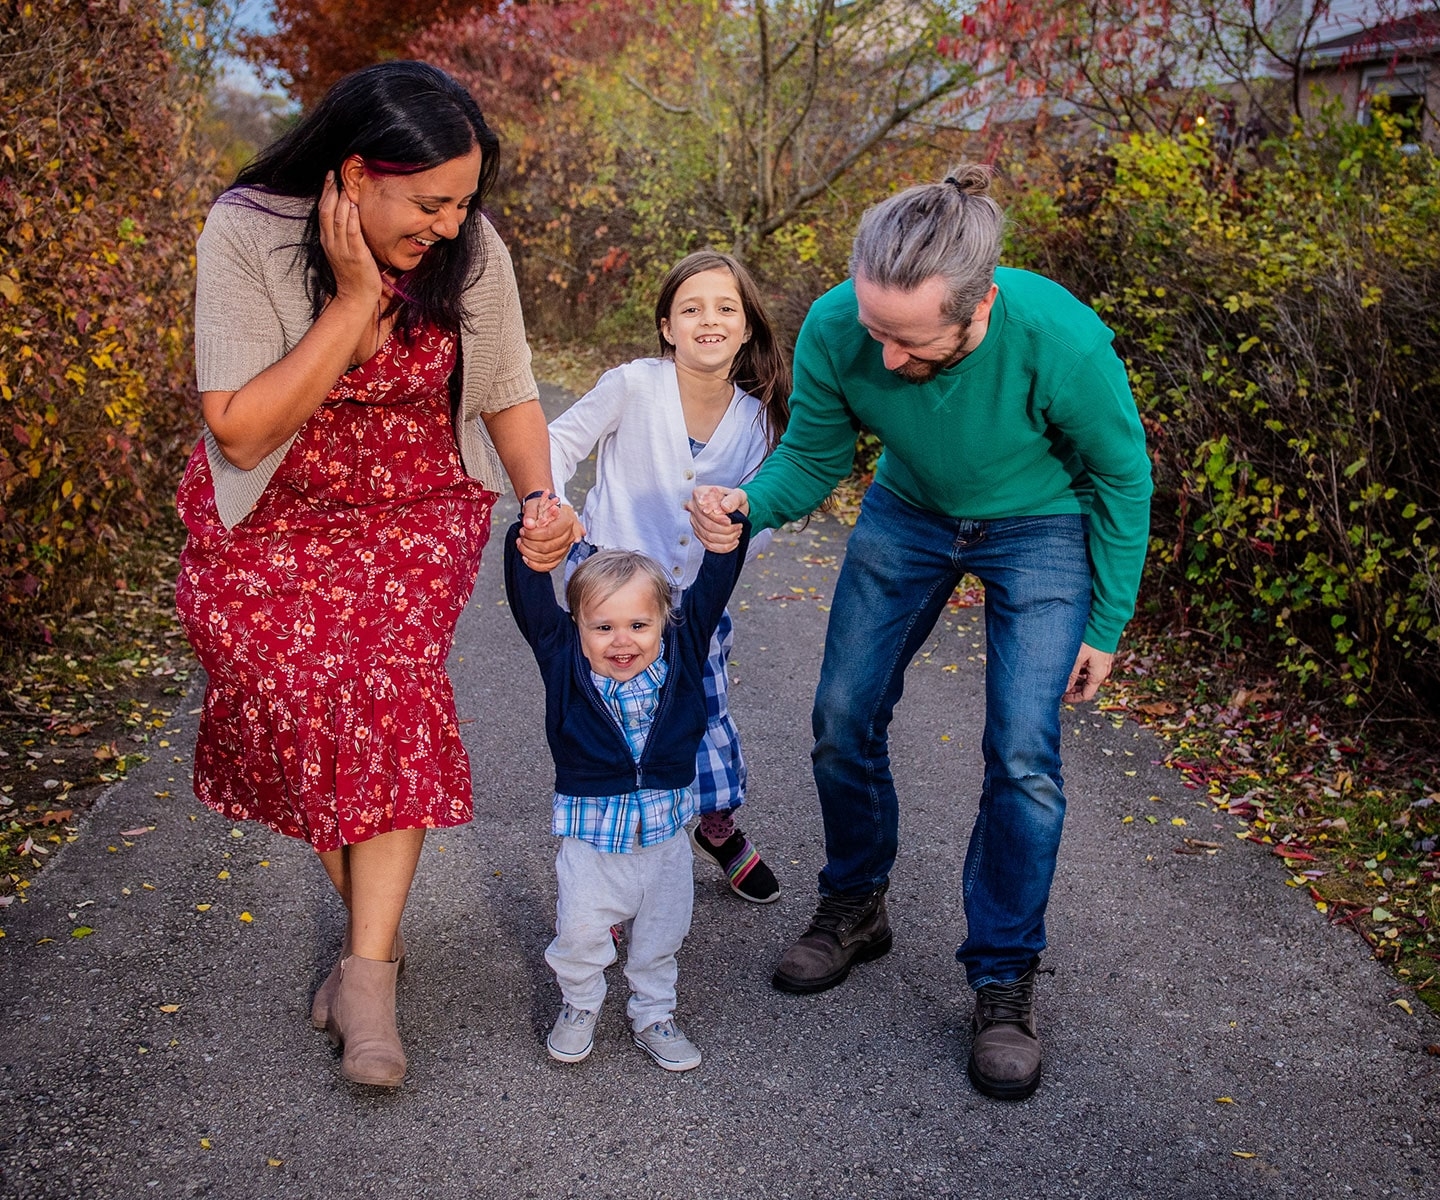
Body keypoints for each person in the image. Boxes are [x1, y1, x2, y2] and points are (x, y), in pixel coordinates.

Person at [688, 164, 1153, 1101]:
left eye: (909, 340)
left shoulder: (1058, 342)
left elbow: (1124, 480)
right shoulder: (837, 323)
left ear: (977, 307)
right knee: (840, 714)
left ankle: (1004, 977)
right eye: (875, 331)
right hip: (907, 513)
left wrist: (1106, 622)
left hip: (1042, 527)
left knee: (1022, 750)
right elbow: (816, 458)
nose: (887, 360)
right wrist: (748, 502)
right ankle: (857, 907)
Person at [174, 61, 580, 1089]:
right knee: (293, 704)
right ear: (355, 175)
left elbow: (507, 388)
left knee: (384, 700)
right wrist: (356, 301)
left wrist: (541, 500)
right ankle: (374, 948)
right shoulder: (247, 232)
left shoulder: (471, 249)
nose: (452, 224)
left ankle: (369, 975)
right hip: (269, 509)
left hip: (412, 506)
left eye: (465, 201)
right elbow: (243, 423)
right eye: (431, 201)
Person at [547, 250, 790, 904]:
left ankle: (714, 822)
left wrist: (739, 529)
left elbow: (767, 508)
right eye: (691, 308)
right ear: (666, 325)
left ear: (746, 329)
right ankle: (614, 868)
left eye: (724, 308)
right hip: (610, 585)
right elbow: (559, 441)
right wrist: (554, 503)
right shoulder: (633, 386)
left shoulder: (757, 419)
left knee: (701, 711)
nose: (707, 319)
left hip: (694, 599)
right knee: (618, 722)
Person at [503, 511, 751, 1072]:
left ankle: (654, 1014)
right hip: (591, 843)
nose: (622, 641)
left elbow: (715, 583)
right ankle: (579, 1005)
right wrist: (530, 532)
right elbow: (528, 596)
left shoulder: (681, 658)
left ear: (665, 620)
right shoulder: (564, 661)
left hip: (664, 841)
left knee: (662, 936)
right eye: (603, 626)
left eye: (639, 625)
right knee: (581, 935)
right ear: (577, 627)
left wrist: (730, 525)